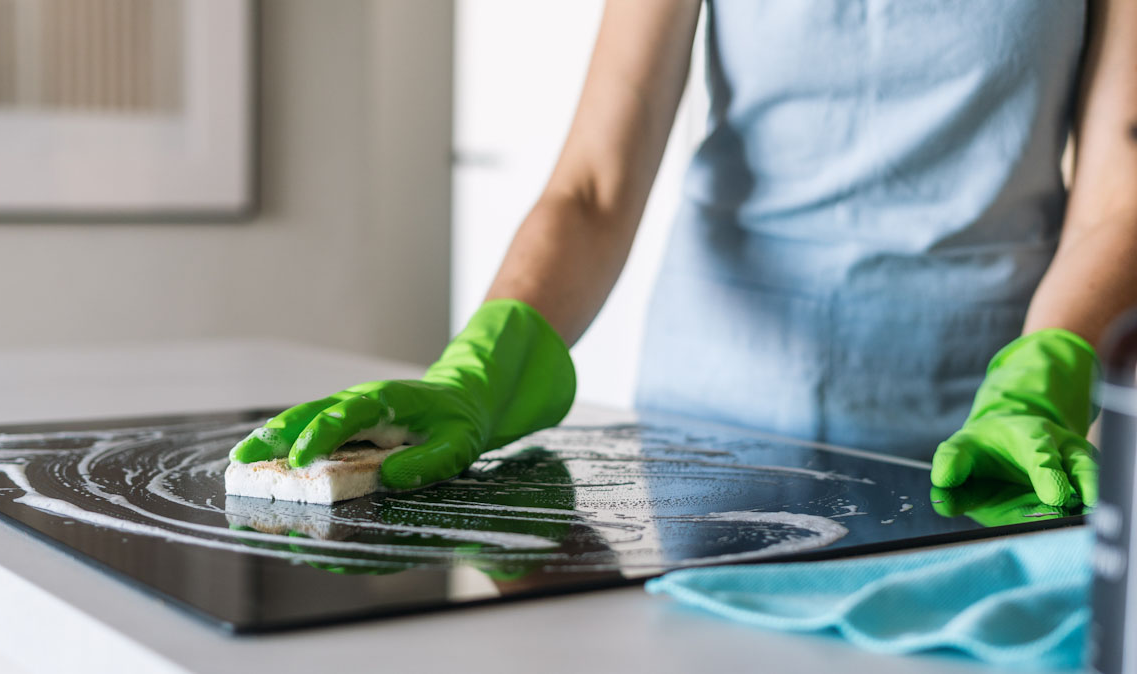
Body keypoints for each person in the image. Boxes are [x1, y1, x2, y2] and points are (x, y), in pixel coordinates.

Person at [233, 0, 1137, 508]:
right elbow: (593, 183)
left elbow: (1118, 188)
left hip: (969, 429)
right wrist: (479, 361)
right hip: (708, 426)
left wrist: (1043, 376)